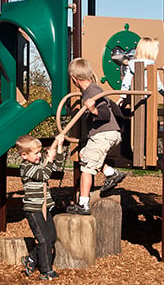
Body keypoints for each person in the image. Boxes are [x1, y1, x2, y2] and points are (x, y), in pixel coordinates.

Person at [66, 57, 123, 215]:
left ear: (74, 79)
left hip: (104, 134)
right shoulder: (92, 90)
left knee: (87, 168)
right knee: (87, 155)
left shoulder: (93, 92)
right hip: (107, 134)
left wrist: (92, 110)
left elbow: (104, 114)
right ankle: (110, 173)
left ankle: (83, 204)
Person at [16, 133, 67, 280]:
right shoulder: (25, 167)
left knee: (51, 237)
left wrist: (59, 147)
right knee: (43, 239)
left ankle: (31, 259)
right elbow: (44, 175)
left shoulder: (38, 163)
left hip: (45, 206)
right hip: (33, 209)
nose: (39, 156)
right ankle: (46, 271)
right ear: (24, 155)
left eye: (40, 152)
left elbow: (56, 167)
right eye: (36, 153)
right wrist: (49, 159)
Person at [118, 37, 163, 103]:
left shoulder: (132, 64)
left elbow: (126, 81)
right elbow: (158, 85)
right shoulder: (152, 65)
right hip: (149, 96)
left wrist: (122, 96)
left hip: (135, 96)